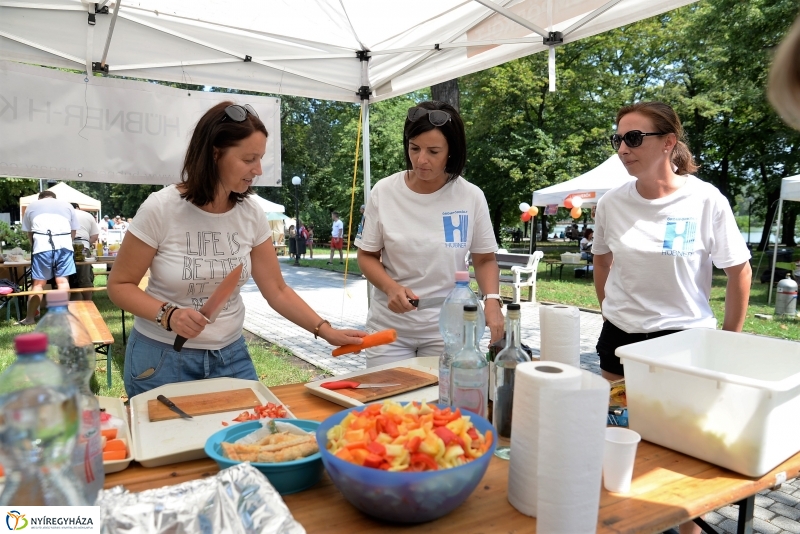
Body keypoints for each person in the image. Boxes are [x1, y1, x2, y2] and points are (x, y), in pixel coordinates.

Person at [108, 101, 366, 398]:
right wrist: (168, 315)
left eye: (260, 159)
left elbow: (277, 290)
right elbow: (119, 286)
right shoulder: (160, 208)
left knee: (251, 438)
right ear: (215, 154)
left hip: (230, 356)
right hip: (162, 358)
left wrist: (325, 330)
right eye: (248, 159)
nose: (257, 170)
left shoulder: (252, 213)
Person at [593, 101, 752, 385]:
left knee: (675, 427)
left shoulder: (706, 199)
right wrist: (608, 311)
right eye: (618, 139)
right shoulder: (611, 203)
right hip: (619, 336)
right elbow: (602, 260)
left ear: (668, 141)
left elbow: (739, 271)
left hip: (683, 341)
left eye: (633, 138)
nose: (622, 149)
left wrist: (729, 341)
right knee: (617, 424)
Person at [355, 100, 503, 367]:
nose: (421, 160)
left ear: (452, 151)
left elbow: (484, 260)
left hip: (447, 327)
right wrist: (391, 288)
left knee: (442, 404)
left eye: (433, 151)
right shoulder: (384, 192)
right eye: (414, 148)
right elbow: (366, 255)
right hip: (389, 328)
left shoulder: (470, 196)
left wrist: (492, 300)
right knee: (390, 406)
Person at [19, 190, 80, 325]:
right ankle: (62, 317)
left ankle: (30, 318)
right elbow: (73, 231)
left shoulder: (32, 205)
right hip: (64, 245)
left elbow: (30, 233)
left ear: (40, 198)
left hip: (41, 245)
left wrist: (34, 246)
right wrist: (67, 243)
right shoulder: (67, 205)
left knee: (38, 284)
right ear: (54, 197)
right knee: (63, 282)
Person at [70, 203, 100, 301]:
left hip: (65, 247)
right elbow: (95, 236)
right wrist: (86, 244)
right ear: (78, 207)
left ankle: (67, 303)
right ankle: (88, 302)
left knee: (65, 278)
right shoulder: (88, 215)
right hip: (83, 247)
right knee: (84, 276)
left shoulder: (64, 213)